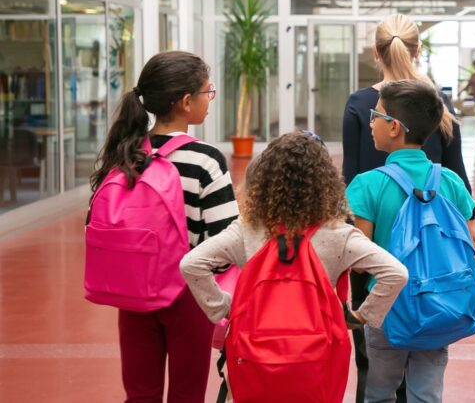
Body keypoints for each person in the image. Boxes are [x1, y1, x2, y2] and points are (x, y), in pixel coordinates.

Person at [179, 131, 409, 395]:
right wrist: (362, 316)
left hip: (254, 353)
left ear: (264, 180)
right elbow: (396, 273)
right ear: (325, 183)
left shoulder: (247, 230)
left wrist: (224, 308)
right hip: (317, 356)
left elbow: (192, 264)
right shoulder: (339, 235)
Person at [89, 51, 239, 403]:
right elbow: (225, 240)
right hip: (188, 295)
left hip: (132, 292)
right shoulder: (205, 158)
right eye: (208, 92)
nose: (209, 99)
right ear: (187, 102)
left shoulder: (124, 152)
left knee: (140, 393)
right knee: (186, 394)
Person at [341, 13, 471, 403]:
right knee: (427, 360)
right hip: (434, 269)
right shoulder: (435, 105)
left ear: (376, 53)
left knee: (376, 362)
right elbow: (458, 182)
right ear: (418, 50)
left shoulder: (362, 106)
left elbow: (350, 176)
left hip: (376, 252)